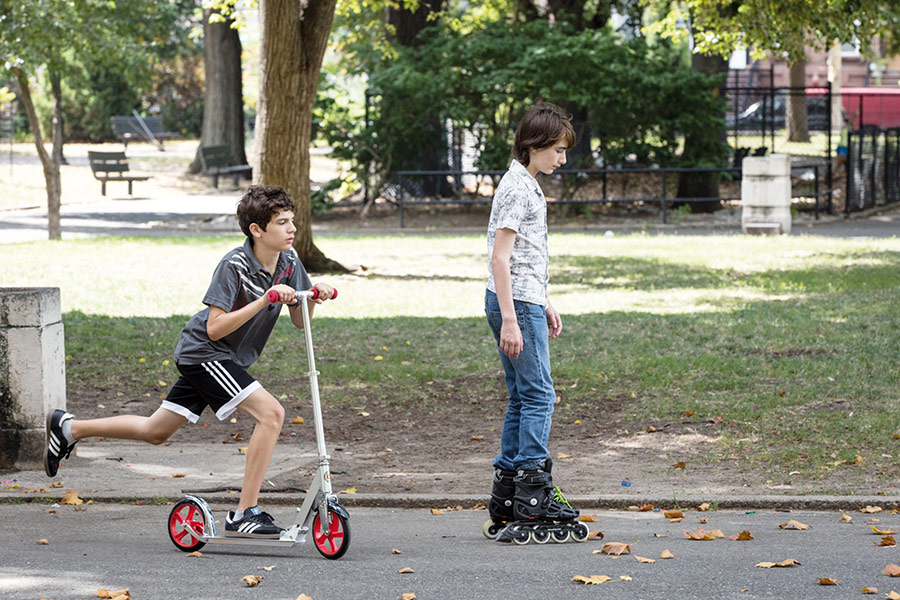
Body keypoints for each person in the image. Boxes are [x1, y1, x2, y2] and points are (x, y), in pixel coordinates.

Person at [44, 185, 335, 539]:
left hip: (224, 358)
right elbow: (214, 329)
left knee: (156, 431)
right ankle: (244, 512)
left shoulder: (289, 262)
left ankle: (70, 428)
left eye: (292, 221)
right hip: (205, 353)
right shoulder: (235, 265)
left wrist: (313, 297)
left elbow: (300, 321)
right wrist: (262, 301)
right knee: (271, 414)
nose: (292, 230)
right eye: (282, 223)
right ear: (257, 230)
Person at [483, 103, 580, 540]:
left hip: (522, 301)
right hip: (513, 304)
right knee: (541, 395)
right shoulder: (519, 189)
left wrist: (542, 302)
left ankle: (507, 489)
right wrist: (512, 319)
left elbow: (522, 260)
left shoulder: (522, 183)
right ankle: (533, 489)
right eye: (557, 150)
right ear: (533, 146)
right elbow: (500, 258)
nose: (562, 159)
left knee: (522, 397)